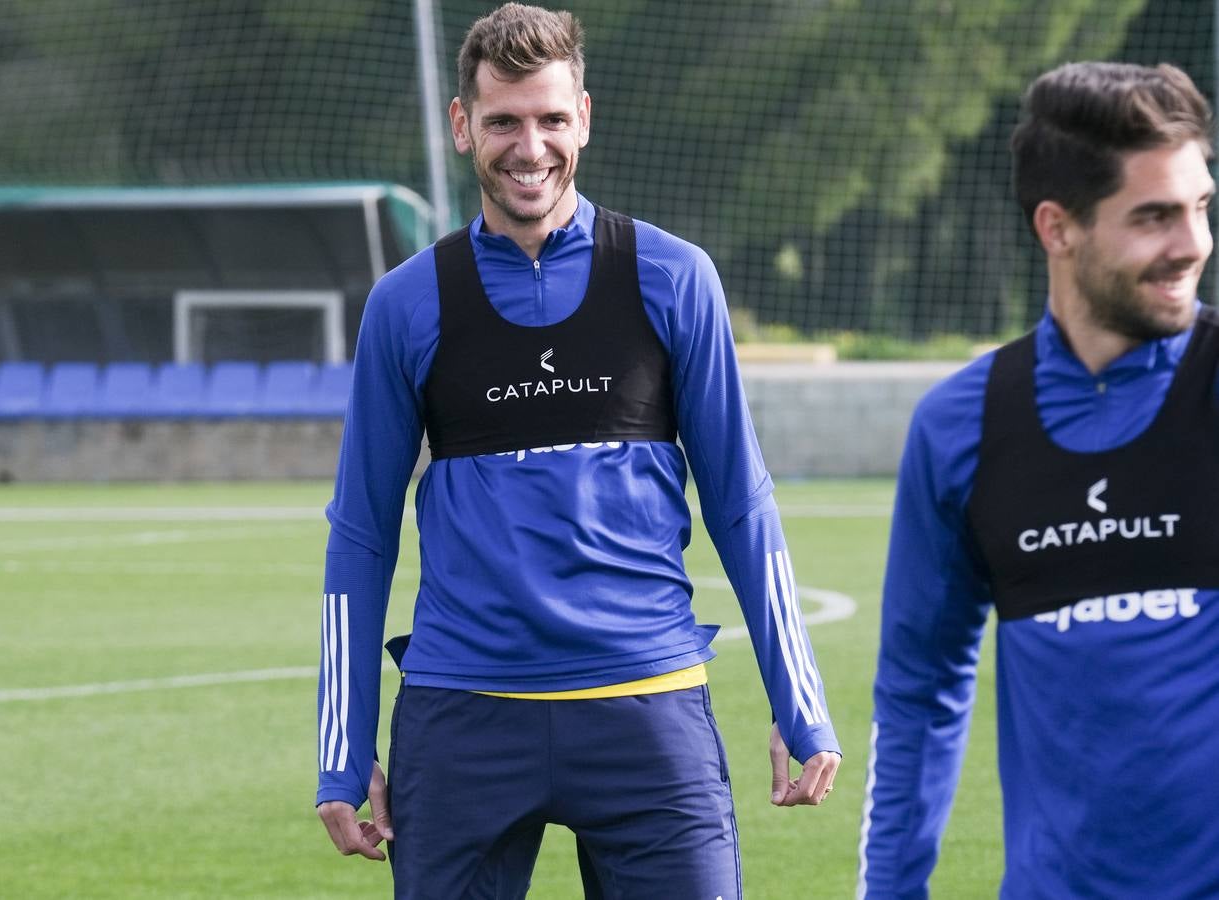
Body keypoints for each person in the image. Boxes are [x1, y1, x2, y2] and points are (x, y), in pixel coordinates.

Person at [314, 3, 841, 896]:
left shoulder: (674, 277)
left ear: (584, 118)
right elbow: (360, 534)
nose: (531, 147)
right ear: (461, 126)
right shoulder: (406, 304)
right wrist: (343, 750)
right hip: (463, 719)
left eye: (552, 118)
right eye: (504, 121)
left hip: (649, 711)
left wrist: (802, 705)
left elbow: (742, 503)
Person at [859, 61, 1219, 898]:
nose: (1193, 243)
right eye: (1155, 216)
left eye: (1202, 207)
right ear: (1057, 227)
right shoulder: (959, 426)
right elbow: (918, 695)